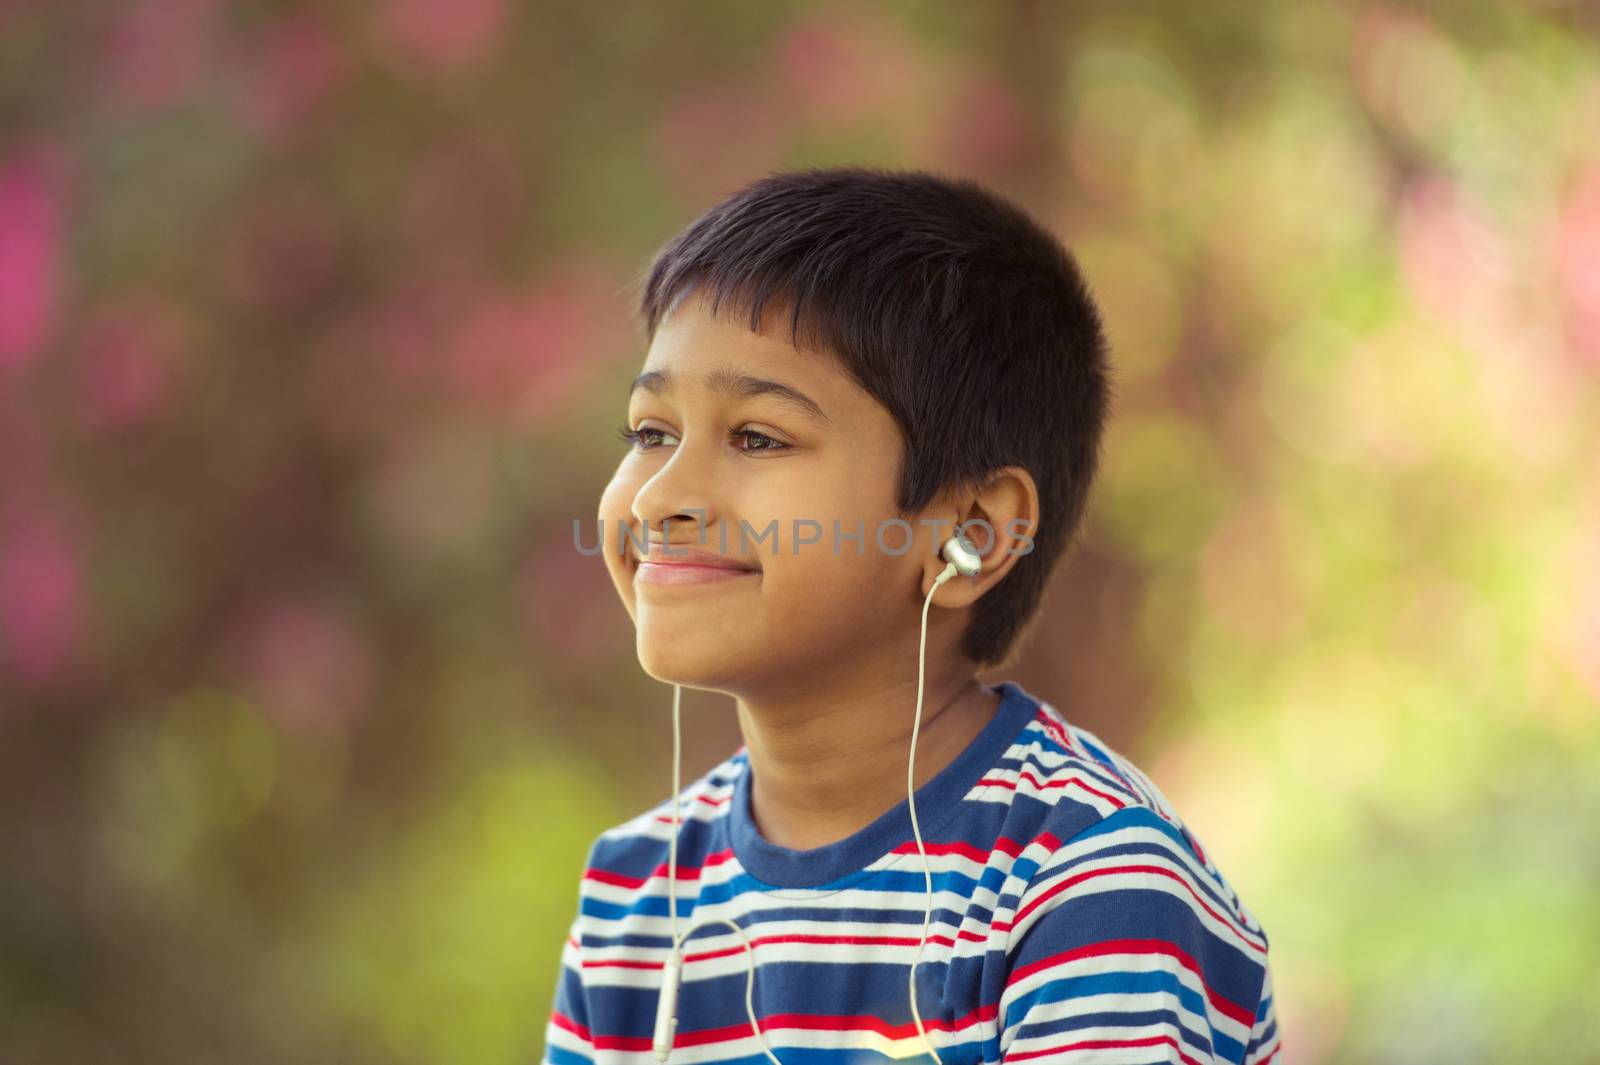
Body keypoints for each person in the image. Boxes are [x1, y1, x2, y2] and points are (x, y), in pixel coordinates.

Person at [544, 166, 1280, 1065]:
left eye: (757, 437)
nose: (660, 498)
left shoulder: (1083, 879)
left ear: (969, 533)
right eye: (650, 431)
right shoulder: (634, 892)